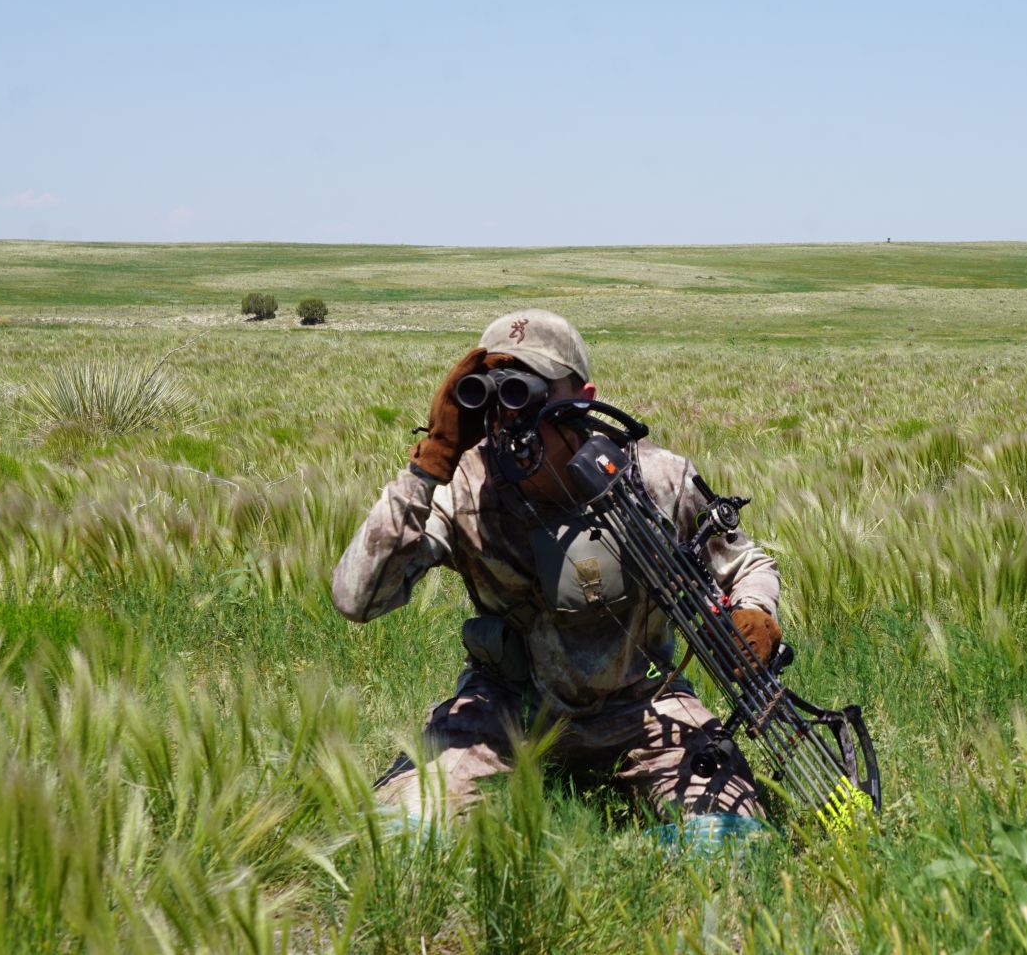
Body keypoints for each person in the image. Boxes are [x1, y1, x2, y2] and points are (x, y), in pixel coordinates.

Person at [332, 309, 783, 842]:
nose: (511, 415)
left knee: (726, 838)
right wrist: (428, 466)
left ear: (584, 397)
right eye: (493, 393)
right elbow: (357, 597)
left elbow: (746, 562)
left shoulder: (653, 478)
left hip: (641, 702)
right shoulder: (463, 489)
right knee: (406, 834)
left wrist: (755, 610)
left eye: (529, 392)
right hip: (504, 708)